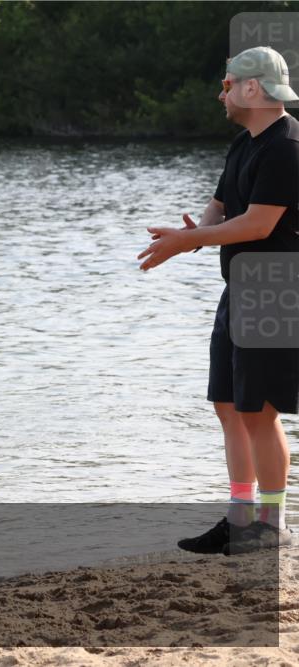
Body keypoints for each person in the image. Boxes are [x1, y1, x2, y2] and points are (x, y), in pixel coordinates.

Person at [138, 46, 298, 555]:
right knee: (228, 404)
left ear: (253, 88)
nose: (221, 92)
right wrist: (195, 233)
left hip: (276, 290)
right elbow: (222, 208)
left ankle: (270, 525)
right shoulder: (243, 144)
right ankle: (239, 516)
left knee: (259, 409)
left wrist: (192, 241)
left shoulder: (287, 146)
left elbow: (259, 223)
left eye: (228, 83)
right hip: (241, 289)